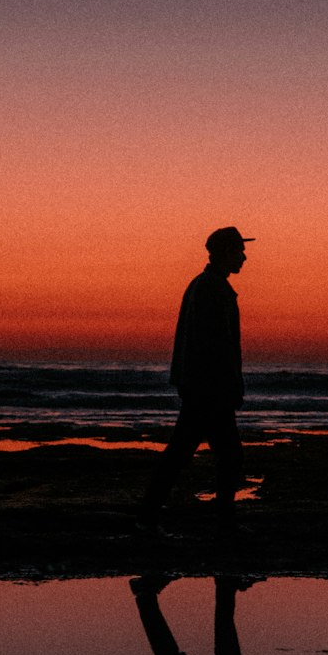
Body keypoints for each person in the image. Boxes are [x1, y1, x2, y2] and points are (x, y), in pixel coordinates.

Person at [140, 226, 254, 527]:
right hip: (209, 389)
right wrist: (230, 385)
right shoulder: (211, 288)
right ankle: (222, 519)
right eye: (239, 251)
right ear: (226, 253)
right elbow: (217, 345)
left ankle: (151, 513)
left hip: (201, 387)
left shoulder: (205, 285)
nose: (244, 257)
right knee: (225, 456)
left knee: (186, 453)